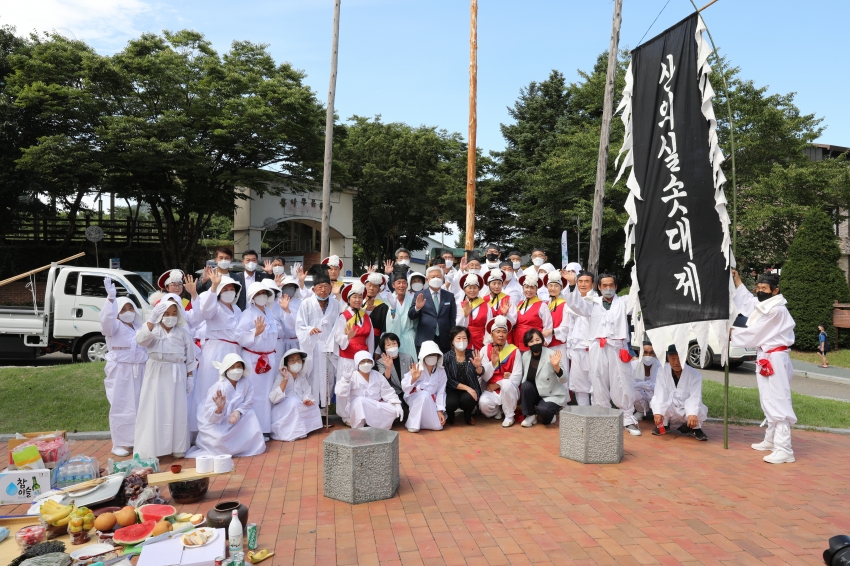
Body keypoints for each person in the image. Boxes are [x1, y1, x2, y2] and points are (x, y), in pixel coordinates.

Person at [730, 271, 797, 464]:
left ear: (775, 291)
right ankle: (771, 439)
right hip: (766, 355)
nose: (760, 291)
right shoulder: (766, 305)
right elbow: (749, 303)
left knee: (778, 399)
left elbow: (756, 332)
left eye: (764, 289)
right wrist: (737, 281)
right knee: (767, 397)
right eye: (758, 288)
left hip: (775, 357)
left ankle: (784, 448)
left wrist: (732, 334)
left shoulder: (777, 310)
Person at [566, 272, 641, 436]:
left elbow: (637, 293)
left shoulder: (623, 302)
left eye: (611, 285)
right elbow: (576, 305)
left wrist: (637, 272)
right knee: (598, 380)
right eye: (604, 286)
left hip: (617, 347)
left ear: (616, 287)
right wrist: (572, 284)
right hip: (597, 347)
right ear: (598, 287)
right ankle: (603, 418)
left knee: (622, 380)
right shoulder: (592, 303)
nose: (608, 289)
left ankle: (628, 418)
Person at [134, 299, 195, 459]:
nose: (170, 317)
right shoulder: (153, 329)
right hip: (156, 372)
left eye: (174, 313)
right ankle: (152, 447)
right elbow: (140, 340)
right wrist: (151, 320)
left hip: (177, 373)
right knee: (154, 408)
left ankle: (177, 446)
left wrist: (190, 377)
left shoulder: (183, 333)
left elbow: (190, 358)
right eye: (167, 314)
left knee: (177, 409)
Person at [100, 278, 148, 457]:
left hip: (140, 369)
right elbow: (106, 321)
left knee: (140, 405)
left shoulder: (137, 326)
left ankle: (139, 441)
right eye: (123, 309)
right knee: (122, 405)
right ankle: (120, 442)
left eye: (130, 308)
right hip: (121, 370)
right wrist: (111, 299)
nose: (128, 312)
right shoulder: (113, 327)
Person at [192, 269, 243, 433]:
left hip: (234, 351)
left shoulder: (238, 310)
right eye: (225, 289)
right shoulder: (214, 307)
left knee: (231, 388)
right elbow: (204, 310)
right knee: (211, 386)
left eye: (232, 289)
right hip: (216, 350)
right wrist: (213, 287)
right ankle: (205, 428)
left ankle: (227, 425)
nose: (229, 292)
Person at [186, 353, 266, 457]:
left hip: (237, 419)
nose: (236, 370)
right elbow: (209, 416)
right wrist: (219, 409)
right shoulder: (218, 387)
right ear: (226, 370)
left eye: (238, 367)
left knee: (251, 414)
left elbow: (248, 401)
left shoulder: (246, 382)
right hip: (217, 422)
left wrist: (237, 412)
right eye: (232, 367)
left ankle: (247, 446)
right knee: (219, 440)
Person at [295, 265, 340, 417]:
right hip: (312, 348)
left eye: (326, 287)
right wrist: (309, 330)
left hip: (328, 348)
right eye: (319, 287)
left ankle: (324, 414)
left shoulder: (335, 304)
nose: (323, 290)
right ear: (313, 289)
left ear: (330, 287)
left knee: (328, 380)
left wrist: (332, 341)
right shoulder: (306, 303)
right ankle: (310, 415)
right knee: (312, 380)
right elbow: (300, 326)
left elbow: (338, 325)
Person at [237, 282, 278, 441]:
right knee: (254, 394)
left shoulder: (270, 313)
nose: (261, 296)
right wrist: (256, 332)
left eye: (264, 293)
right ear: (252, 298)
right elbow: (239, 336)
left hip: (268, 358)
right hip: (253, 358)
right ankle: (253, 429)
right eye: (258, 293)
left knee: (267, 394)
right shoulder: (247, 314)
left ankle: (265, 428)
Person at [333, 282, 374, 422]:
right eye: (354, 297)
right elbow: (338, 336)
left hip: (363, 356)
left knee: (361, 385)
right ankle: (345, 415)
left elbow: (371, 338)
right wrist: (347, 337)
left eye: (360, 297)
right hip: (348, 355)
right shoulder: (343, 316)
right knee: (346, 384)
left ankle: (361, 412)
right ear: (349, 299)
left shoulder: (366, 316)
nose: (357, 300)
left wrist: (370, 355)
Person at [650, 345, 708, 441]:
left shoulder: (695, 374)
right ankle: (664, 425)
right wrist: (658, 412)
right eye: (673, 359)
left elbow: (695, 396)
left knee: (700, 408)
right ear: (668, 358)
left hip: (686, 408)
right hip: (670, 406)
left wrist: (692, 414)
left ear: (685, 357)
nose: (676, 362)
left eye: (680, 359)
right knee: (656, 401)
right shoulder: (662, 371)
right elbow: (660, 392)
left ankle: (695, 428)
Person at [337, 350, 403, 429]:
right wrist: (346, 380)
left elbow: (388, 392)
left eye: (369, 361)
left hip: (375, 407)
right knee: (360, 401)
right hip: (358, 408)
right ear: (357, 363)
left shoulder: (377, 375)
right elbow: (340, 393)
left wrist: (397, 404)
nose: (366, 364)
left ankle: (374, 424)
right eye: (363, 361)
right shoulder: (352, 376)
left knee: (394, 410)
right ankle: (360, 425)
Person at [269, 348, 324, 441]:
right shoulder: (281, 377)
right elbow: (273, 398)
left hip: (298, 403)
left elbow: (307, 392)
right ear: (286, 364)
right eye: (292, 360)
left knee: (313, 405)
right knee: (293, 402)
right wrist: (285, 378)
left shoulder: (301, 377)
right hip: (282, 408)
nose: (296, 362)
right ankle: (293, 432)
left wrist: (307, 399)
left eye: (298, 359)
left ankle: (305, 429)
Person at [519, 329, 568, 427]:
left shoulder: (551, 354)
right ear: (527, 344)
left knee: (545, 414)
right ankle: (530, 415)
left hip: (551, 394)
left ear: (542, 340)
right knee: (526, 385)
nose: (535, 343)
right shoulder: (525, 356)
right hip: (536, 393)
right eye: (531, 341)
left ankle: (549, 413)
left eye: (537, 340)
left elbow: (564, 379)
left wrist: (556, 367)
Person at [479, 316, 522, 427]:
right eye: (498, 332)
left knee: (507, 383)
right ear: (492, 334)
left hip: (509, 390)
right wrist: (492, 364)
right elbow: (484, 376)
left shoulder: (514, 350)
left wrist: (498, 384)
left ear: (507, 334)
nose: (501, 335)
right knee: (483, 405)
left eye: (504, 332)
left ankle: (509, 415)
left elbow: (517, 376)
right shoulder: (485, 350)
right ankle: (499, 410)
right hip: (491, 389)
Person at [401, 341, 448, 433]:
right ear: (424, 356)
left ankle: (423, 423)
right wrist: (413, 379)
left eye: (434, 355)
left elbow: (441, 392)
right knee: (424, 395)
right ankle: (413, 424)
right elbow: (405, 388)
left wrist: (440, 410)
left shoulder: (441, 371)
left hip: (432, 400)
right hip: (415, 397)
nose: (432, 357)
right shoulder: (417, 368)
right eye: (429, 354)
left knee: (438, 426)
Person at [565, 270, 596, 406]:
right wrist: (569, 346)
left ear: (593, 284)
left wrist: (571, 284)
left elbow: (580, 306)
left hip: (592, 347)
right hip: (577, 347)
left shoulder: (596, 301)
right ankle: (584, 414)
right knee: (579, 385)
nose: (583, 284)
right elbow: (570, 326)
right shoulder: (571, 301)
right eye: (580, 281)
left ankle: (598, 416)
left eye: (586, 281)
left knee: (596, 385)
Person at [409, 265, 457, 353]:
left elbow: (452, 319)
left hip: (444, 339)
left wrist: (452, 338)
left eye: (438, 277)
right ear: (427, 280)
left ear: (443, 279)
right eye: (433, 277)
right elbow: (411, 315)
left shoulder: (449, 296)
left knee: (444, 365)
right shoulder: (420, 295)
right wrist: (417, 308)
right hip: (425, 338)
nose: (436, 279)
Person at [443, 327, 484, 425]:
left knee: (468, 399)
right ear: (452, 341)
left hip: (470, 387)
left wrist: (478, 367)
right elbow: (447, 379)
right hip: (452, 389)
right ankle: (450, 415)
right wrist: (467, 388)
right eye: (458, 338)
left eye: (464, 338)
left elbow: (481, 372)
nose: (462, 341)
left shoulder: (472, 354)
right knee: (450, 402)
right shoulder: (446, 357)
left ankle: (468, 414)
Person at [375, 332, 415, 421]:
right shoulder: (380, 362)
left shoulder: (408, 357)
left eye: (394, 343)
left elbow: (413, 375)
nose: (392, 346)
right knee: (395, 414)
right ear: (384, 348)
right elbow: (384, 381)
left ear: (398, 344)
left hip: (409, 391)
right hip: (395, 393)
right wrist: (388, 368)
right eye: (388, 345)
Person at [512, 272, 553, 352]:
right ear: (523, 288)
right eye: (526, 287)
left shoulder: (542, 305)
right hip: (518, 342)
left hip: (533, 343)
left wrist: (546, 340)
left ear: (536, 289)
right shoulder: (520, 303)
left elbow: (548, 324)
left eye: (532, 288)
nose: (529, 290)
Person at [385, 268, 419, 359]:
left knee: (410, 367)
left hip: (409, 340)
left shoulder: (412, 301)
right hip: (392, 341)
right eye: (398, 282)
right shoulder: (387, 301)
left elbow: (416, 323)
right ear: (393, 285)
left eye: (404, 283)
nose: (401, 285)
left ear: (407, 285)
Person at [543, 271, 570, 384]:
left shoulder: (565, 304)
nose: (553, 288)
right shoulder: (545, 304)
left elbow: (566, 326)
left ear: (561, 287)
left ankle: (563, 398)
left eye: (556, 286)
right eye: (550, 285)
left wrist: (552, 332)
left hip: (559, 344)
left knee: (561, 371)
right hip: (546, 344)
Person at [455, 273, 490, 350]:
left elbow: (488, 325)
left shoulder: (486, 305)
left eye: (475, 288)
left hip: (481, 340)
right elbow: (457, 325)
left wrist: (487, 341)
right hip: (464, 339)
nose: (472, 290)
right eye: (469, 288)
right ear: (464, 290)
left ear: (479, 289)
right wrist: (465, 316)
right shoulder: (460, 305)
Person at [633, 340, 661, 419]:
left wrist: (645, 386)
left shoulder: (660, 367)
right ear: (639, 352)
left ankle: (657, 413)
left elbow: (662, 386)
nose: (648, 355)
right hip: (640, 394)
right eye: (645, 352)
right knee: (634, 392)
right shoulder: (633, 365)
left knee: (658, 396)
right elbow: (631, 384)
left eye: (651, 353)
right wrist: (645, 386)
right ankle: (640, 411)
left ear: (654, 354)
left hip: (654, 395)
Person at [361, 272, 390, 340]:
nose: (371, 288)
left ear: (379, 290)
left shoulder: (383, 307)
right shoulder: (358, 303)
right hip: (359, 338)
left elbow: (384, 328)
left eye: (375, 286)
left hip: (375, 340)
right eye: (369, 285)